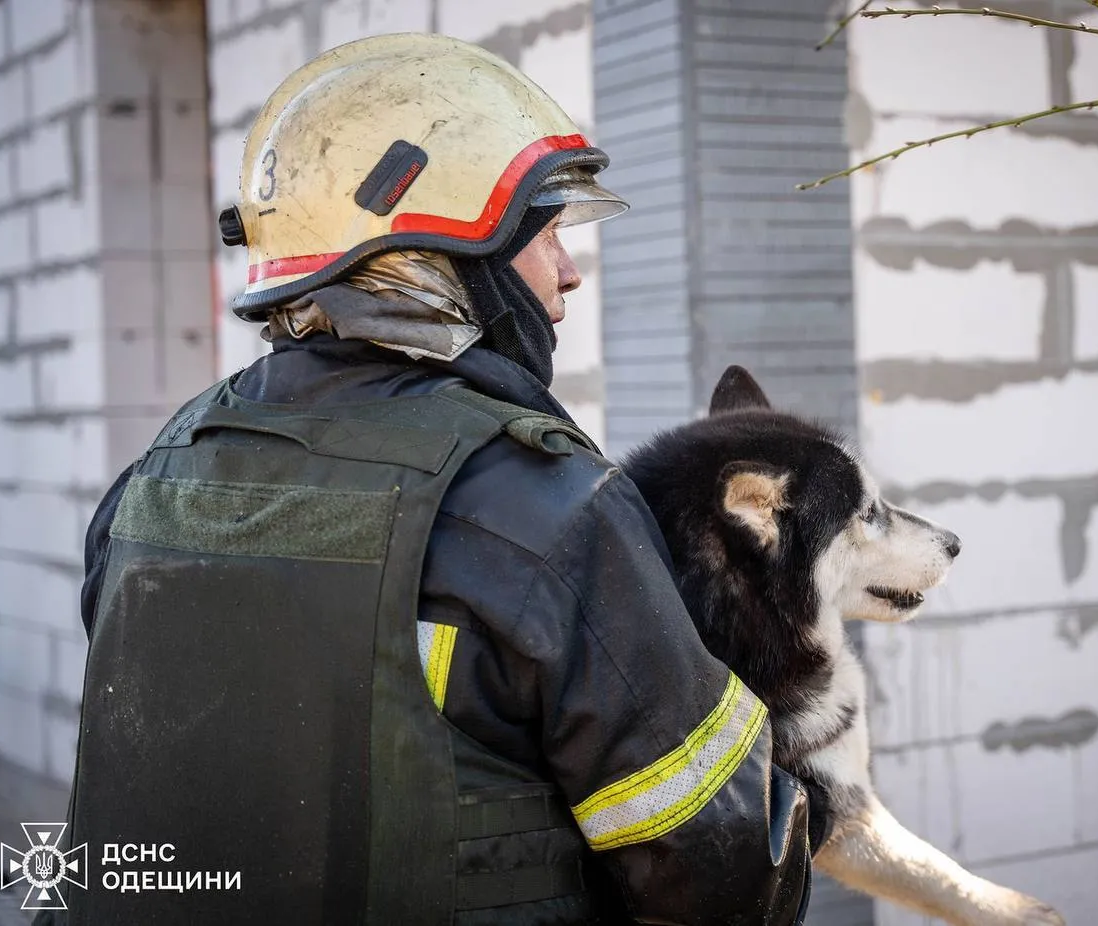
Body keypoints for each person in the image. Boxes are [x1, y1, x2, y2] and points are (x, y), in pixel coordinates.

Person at [53, 34, 823, 926]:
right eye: (543, 236)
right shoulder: (545, 507)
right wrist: (809, 789)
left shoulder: (157, 475)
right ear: (442, 256)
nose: (568, 274)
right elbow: (722, 880)